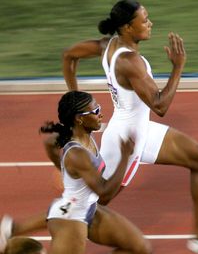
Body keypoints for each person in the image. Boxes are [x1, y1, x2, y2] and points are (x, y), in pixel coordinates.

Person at [0, 0, 198, 253]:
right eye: (144, 20)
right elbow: (160, 106)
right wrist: (178, 68)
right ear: (127, 27)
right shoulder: (130, 61)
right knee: (91, 200)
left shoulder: (107, 45)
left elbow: (69, 54)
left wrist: (74, 96)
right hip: (128, 139)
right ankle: (15, 229)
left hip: (139, 127)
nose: (150, 23)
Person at [1, 90, 152, 254]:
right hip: (72, 219)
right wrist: (124, 157)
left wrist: (64, 171)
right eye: (95, 112)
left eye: (99, 108)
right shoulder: (77, 154)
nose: (100, 115)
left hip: (88, 208)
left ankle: (13, 229)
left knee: (140, 248)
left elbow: (49, 143)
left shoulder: (80, 134)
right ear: (79, 119)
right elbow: (105, 194)